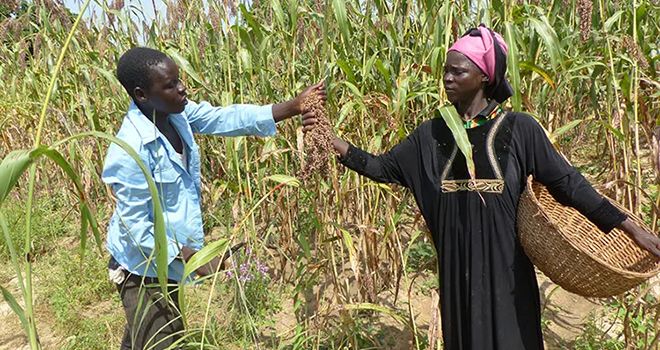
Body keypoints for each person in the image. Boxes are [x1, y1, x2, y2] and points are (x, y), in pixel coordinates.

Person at [303, 25, 660, 349]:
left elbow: (569, 184)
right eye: (445, 70)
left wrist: (628, 227)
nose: (447, 78)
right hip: (458, 273)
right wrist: (329, 140)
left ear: (485, 76)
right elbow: (383, 168)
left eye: (458, 71)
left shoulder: (520, 129)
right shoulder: (431, 134)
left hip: (507, 275)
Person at [102, 46, 325, 350]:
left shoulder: (174, 114)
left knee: (143, 338)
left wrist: (293, 106)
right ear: (141, 95)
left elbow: (225, 118)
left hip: (170, 258)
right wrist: (199, 259)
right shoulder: (130, 152)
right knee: (165, 340)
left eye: (179, 80)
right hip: (144, 269)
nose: (182, 88)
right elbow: (137, 231)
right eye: (170, 85)